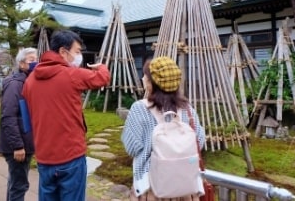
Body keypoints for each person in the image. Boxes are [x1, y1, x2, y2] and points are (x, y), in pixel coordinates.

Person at [22, 30, 110, 201]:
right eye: (77, 52)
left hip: (44, 156)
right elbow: (101, 78)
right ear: (63, 52)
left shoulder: (30, 81)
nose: (79, 56)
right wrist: (102, 67)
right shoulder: (71, 74)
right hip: (70, 156)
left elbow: (28, 115)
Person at [121, 56, 206, 201]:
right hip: (185, 187)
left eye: (145, 76)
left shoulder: (139, 108)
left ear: (151, 83)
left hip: (152, 188)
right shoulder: (188, 109)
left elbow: (132, 147)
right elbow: (200, 141)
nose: (143, 78)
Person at [0, 47, 37, 201]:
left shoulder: (26, 82)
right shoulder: (15, 84)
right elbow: (8, 116)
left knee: (15, 182)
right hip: (18, 145)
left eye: (36, 59)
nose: (36, 63)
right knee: (19, 185)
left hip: (24, 142)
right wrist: (18, 146)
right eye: (31, 60)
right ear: (22, 64)